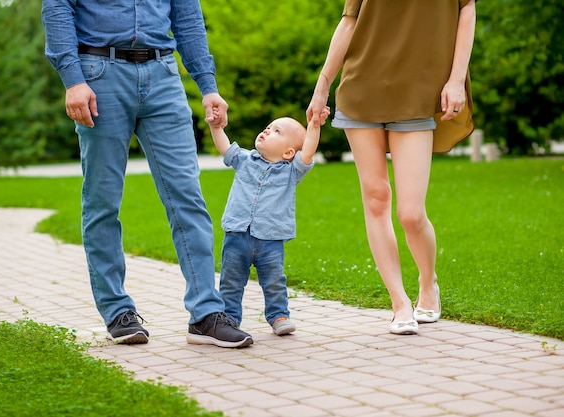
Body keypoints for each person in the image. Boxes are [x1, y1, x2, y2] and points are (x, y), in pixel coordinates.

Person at [41, 0, 253, 348]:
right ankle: (117, 310)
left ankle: (206, 314)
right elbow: (58, 8)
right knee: (103, 200)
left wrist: (208, 85)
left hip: (163, 75)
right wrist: (72, 79)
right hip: (99, 74)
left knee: (188, 196)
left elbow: (187, 18)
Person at [307, 0, 477, 335]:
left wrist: (457, 79)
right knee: (376, 198)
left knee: (411, 214)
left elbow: (466, 10)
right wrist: (323, 84)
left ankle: (428, 285)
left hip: (416, 92)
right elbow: (349, 22)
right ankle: (399, 304)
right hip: (361, 88)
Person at [206, 107, 329, 335]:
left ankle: (278, 316)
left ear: (289, 152)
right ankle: (230, 318)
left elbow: (309, 150)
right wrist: (216, 127)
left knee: (274, 282)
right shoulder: (244, 159)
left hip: (270, 240)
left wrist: (314, 125)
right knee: (230, 282)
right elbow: (225, 147)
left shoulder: (292, 172)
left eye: (276, 131)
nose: (266, 130)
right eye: (268, 127)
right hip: (237, 234)